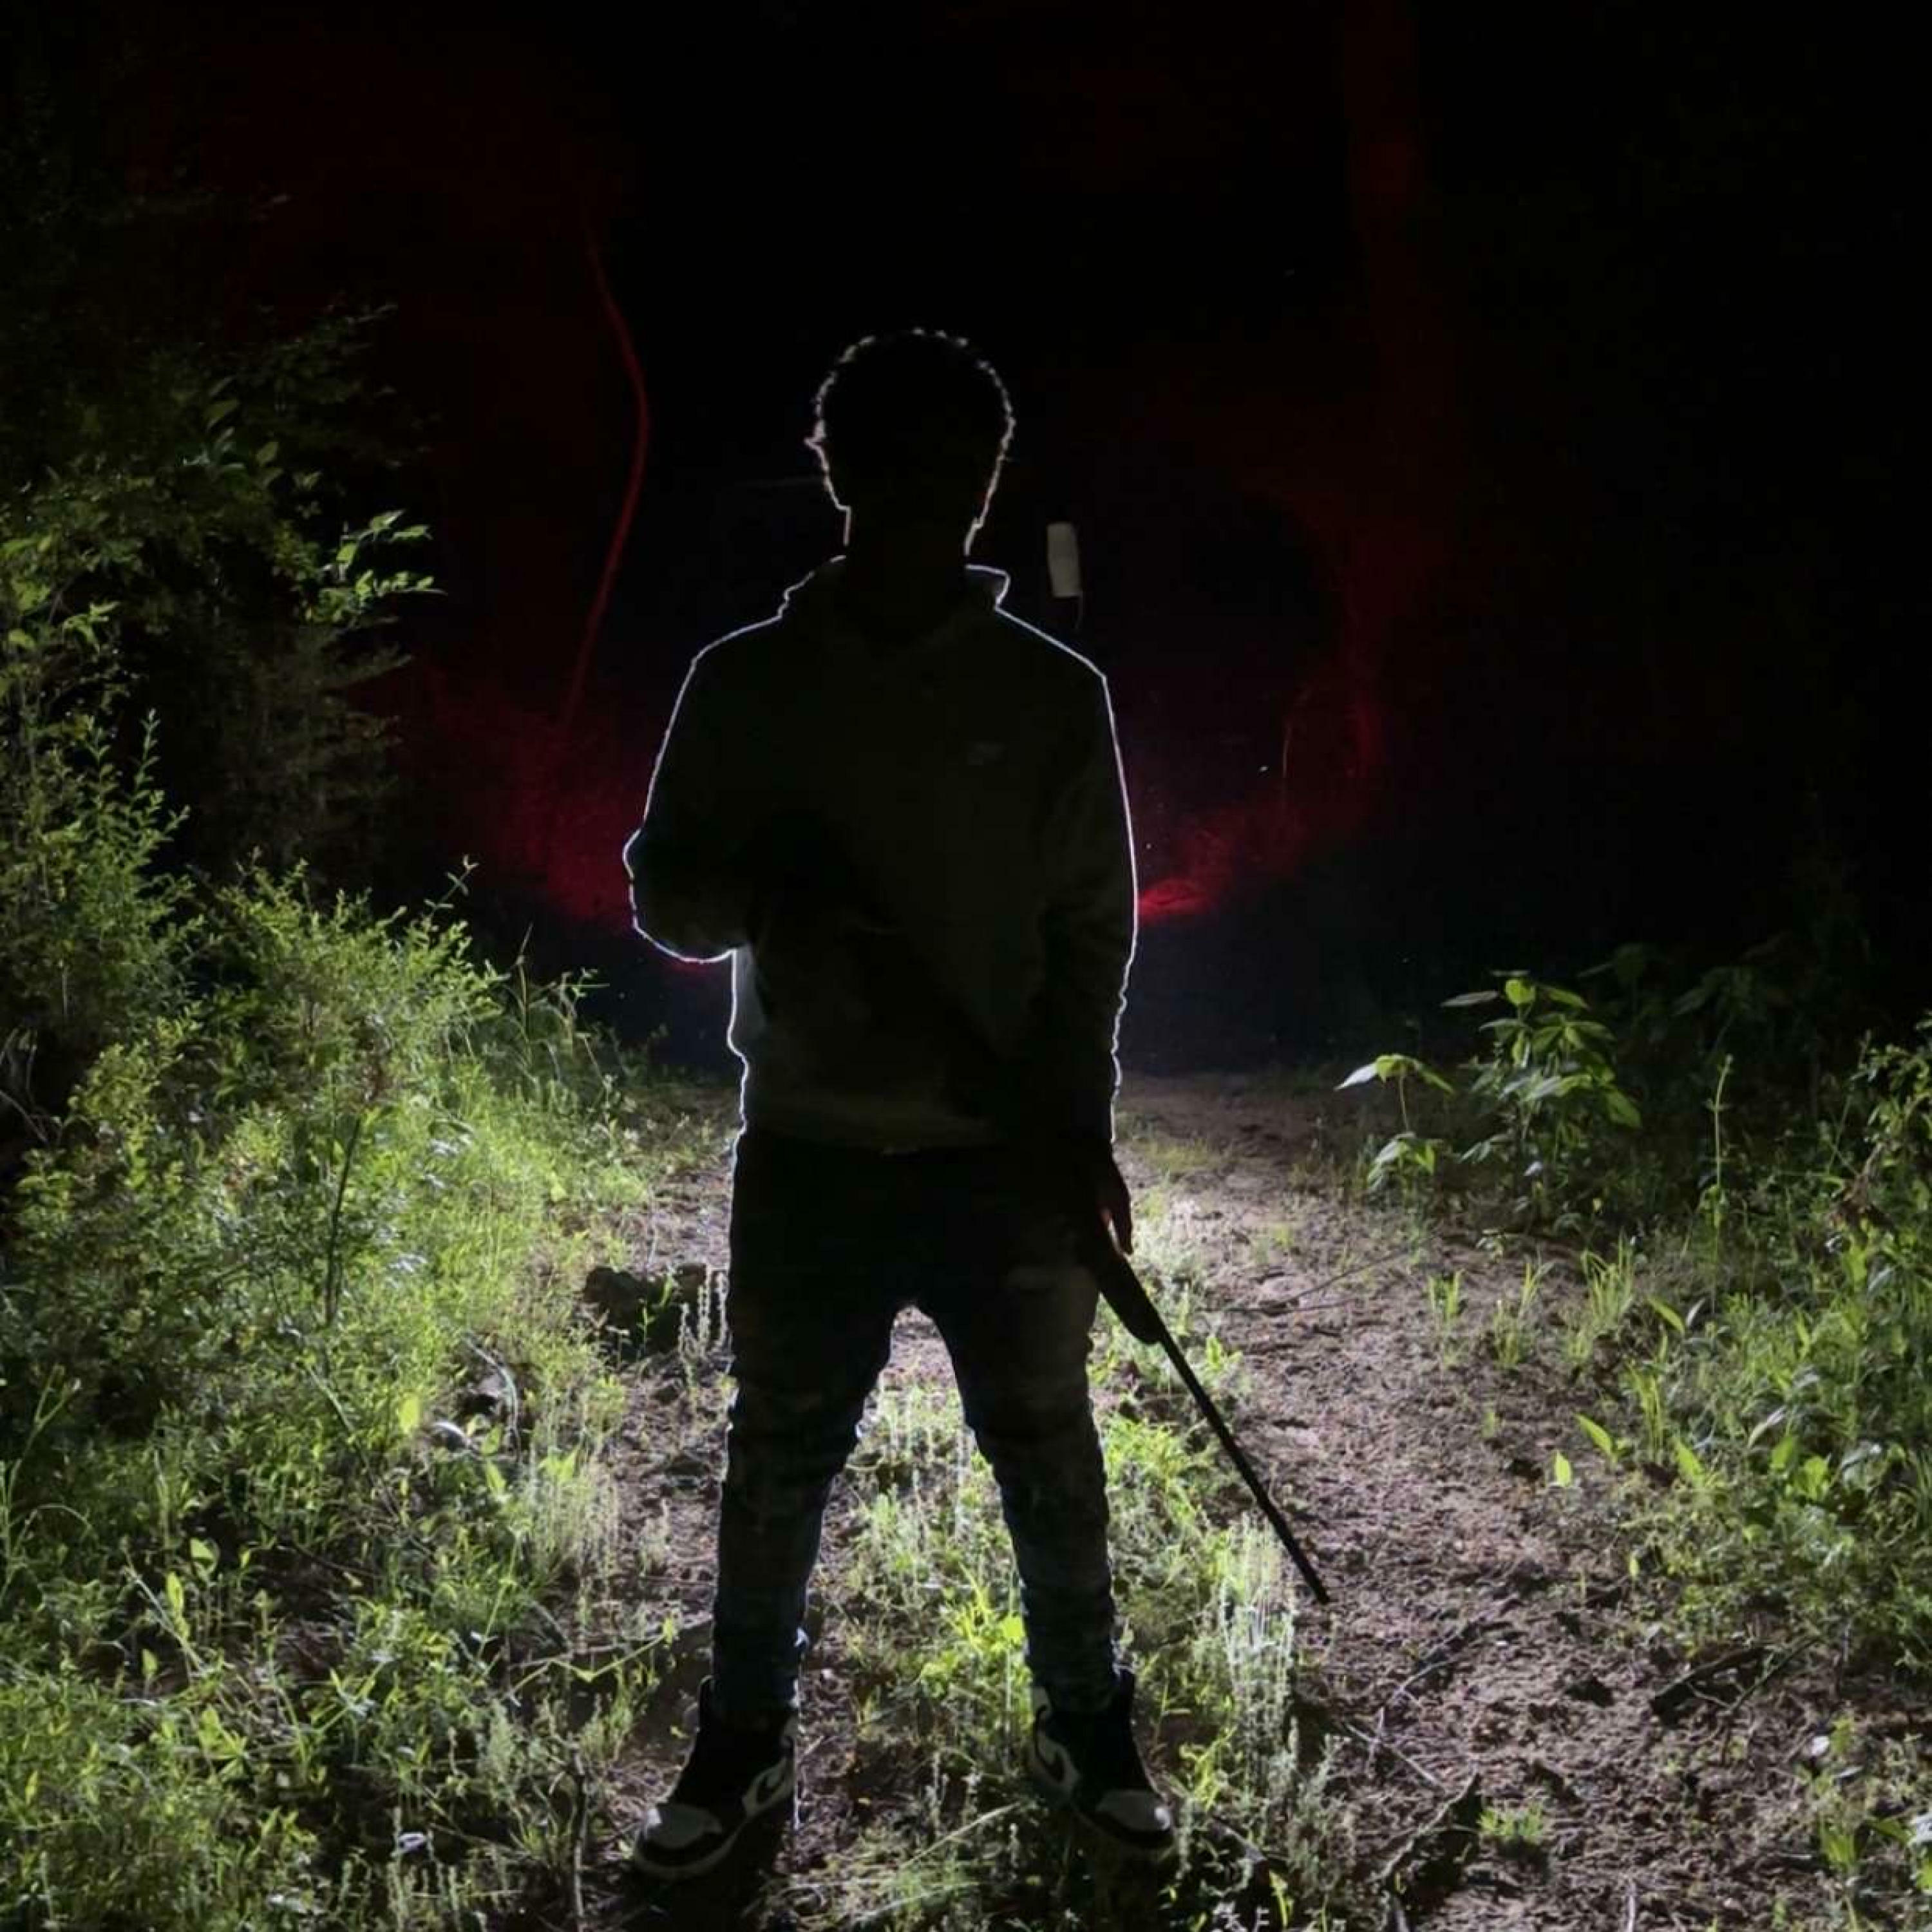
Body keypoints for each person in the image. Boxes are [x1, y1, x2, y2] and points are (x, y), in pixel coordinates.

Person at [622, 328, 1171, 1880]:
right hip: (809, 1151)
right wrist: (768, 887)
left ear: (990, 484)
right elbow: (666, 894)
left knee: (1049, 1454)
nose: (934, 493)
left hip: (1005, 1163)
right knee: (777, 1462)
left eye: (958, 467)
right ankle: (742, 1742)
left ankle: (1088, 1726)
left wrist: (1081, 1125)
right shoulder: (747, 682)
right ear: (840, 472)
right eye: (900, 463)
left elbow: (1094, 935)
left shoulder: (1052, 697)